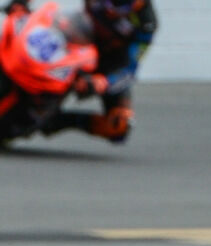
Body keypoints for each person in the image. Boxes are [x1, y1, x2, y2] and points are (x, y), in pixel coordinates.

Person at [40, 0, 157, 144]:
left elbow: (131, 67)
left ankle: (59, 121)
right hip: (77, 41)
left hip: (107, 66)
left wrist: (105, 81)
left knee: (118, 126)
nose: (111, 10)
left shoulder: (146, 24)